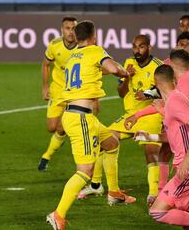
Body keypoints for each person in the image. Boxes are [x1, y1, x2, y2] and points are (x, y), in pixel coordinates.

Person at [46, 20, 135, 230]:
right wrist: (126, 72)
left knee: (112, 142)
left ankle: (113, 192)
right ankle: (58, 215)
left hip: (80, 115)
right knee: (85, 171)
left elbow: (93, 70)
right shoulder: (95, 51)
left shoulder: (73, 56)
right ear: (94, 36)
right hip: (81, 118)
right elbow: (114, 69)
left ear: (76, 37)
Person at [78, 34, 163, 207]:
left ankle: (154, 194)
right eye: (134, 47)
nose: (137, 50)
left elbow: (165, 91)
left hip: (151, 114)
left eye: (141, 47)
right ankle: (100, 186)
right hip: (130, 115)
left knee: (150, 150)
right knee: (105, 140)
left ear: (149, 47)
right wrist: (126, 77)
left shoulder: (158, 66)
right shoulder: (128, 63)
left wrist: (147, 94)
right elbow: (121, 93)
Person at [142, 64, 189, 229]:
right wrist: (151, 136)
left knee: (158, 212)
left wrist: (187, 159)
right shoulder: (173, 101)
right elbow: (178, 136)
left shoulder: (175, 100)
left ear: (156, 82)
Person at [38, 17, 78, 171]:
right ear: (62, 30)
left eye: (73, 28)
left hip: (74, 93)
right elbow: (46, 64)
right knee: (51, 127)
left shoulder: (83, 47)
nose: (70, 32)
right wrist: (45, 87)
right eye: (67, 28)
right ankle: (57, 142)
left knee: (62, 127)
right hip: (57, 90)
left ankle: (46, 156)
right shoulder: (55, 45)